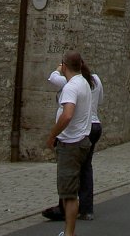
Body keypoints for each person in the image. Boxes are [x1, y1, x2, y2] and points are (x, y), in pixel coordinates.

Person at [42, 59, 103, 221]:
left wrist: (58, 69)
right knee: (86, 168)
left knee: (70, 170)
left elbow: (52, 78)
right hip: (95, 125)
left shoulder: (70, 82)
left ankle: (66, 208)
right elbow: (100, 100)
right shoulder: (95, 80)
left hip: (81, 130)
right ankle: (86, 208)